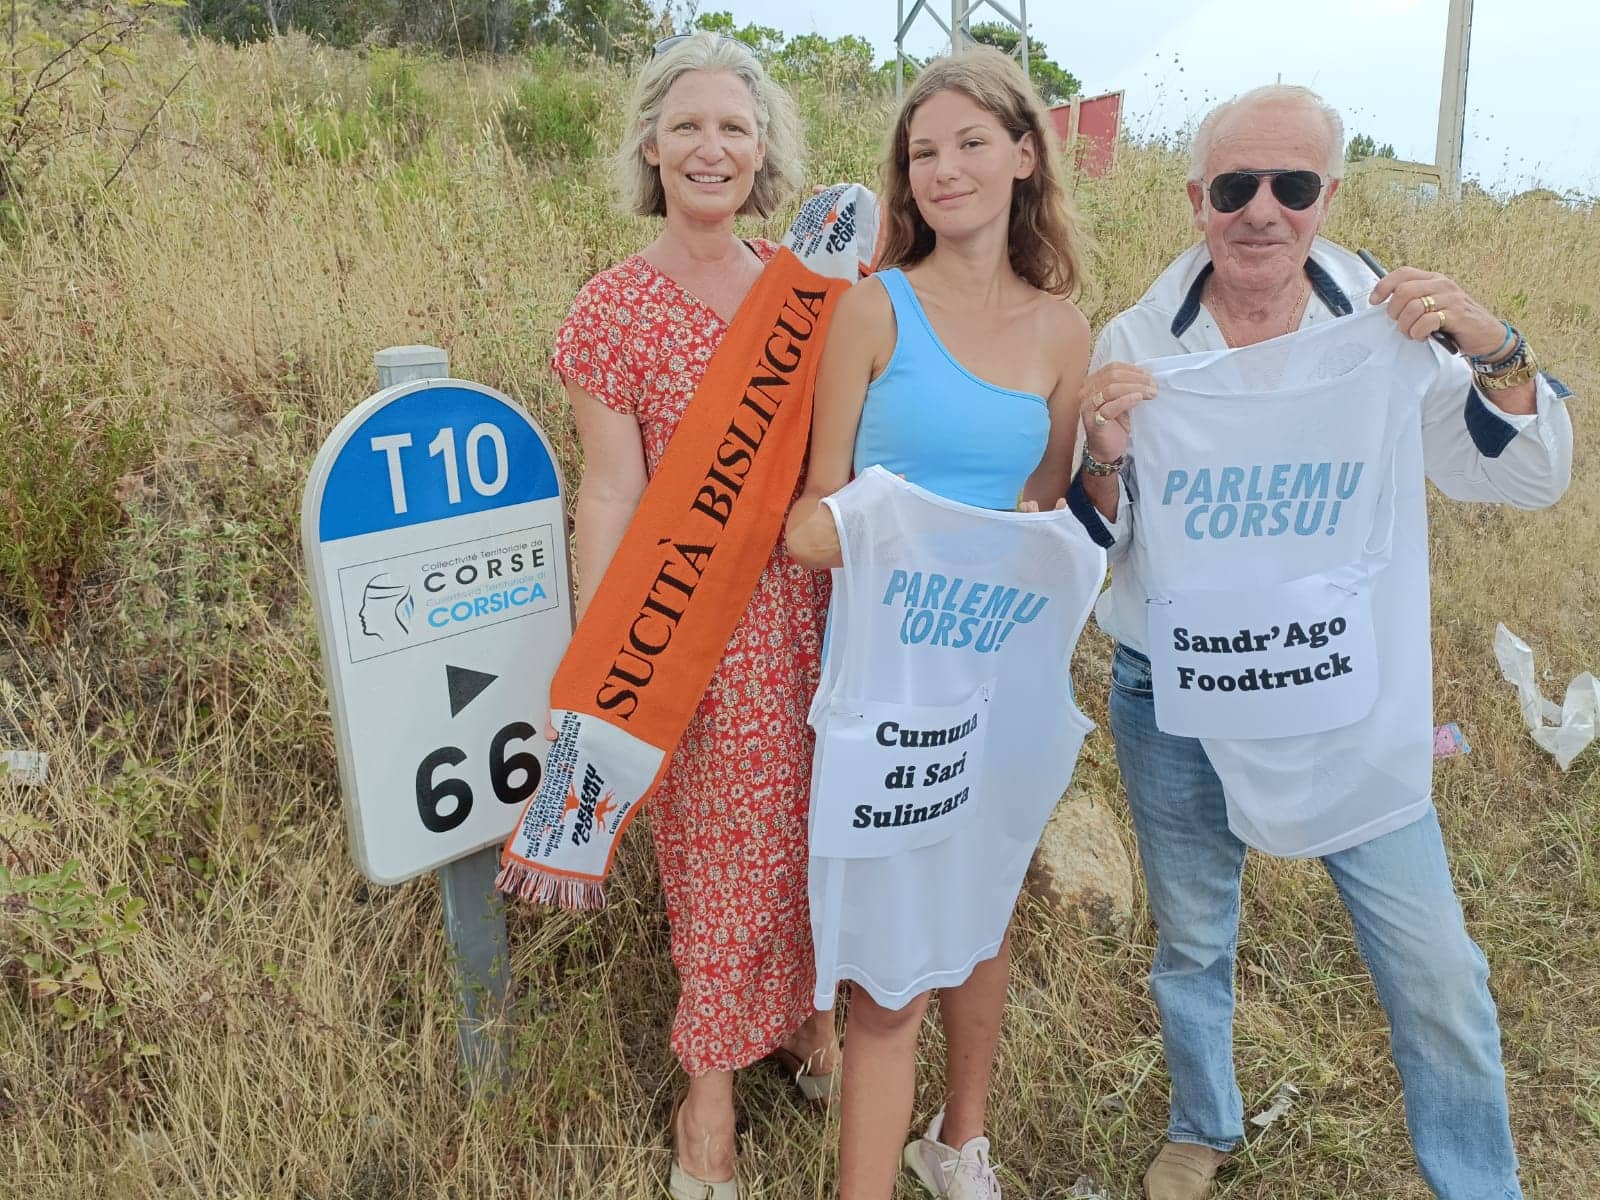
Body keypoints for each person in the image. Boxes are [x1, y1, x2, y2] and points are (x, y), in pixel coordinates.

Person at [1068, 84, 1574, 1200]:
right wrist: (1101, 451)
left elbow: (1528, 477)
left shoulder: (1388, 334)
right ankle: (1201, 1123)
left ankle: (1477, 1183)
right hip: (1179, 696)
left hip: (1345, 698)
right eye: (1235, 187)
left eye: (1291, 185)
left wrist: (1494, 345)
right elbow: (1107, 539)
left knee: (1436, 967)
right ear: (1196, 198)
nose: (1262, 210)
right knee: (1191, 937)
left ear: (1327, 196)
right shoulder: (1140, 339)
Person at [787, 47, 1095, 1200]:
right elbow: (810, 521)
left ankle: (958, 1143)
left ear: (1024, 157)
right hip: (888, 691)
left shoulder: (1065, 332)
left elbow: (1044, 517)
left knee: (983, 909)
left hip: (996, 682)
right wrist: (895, 525)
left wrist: (1103, 472)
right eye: (923, 152)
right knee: (887, 983)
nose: (944, 168)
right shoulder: (872, 309)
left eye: (970, 143)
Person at [545, 33, 840, 1200]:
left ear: (762, 152)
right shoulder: (612, 309)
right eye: (687, 127)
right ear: (651, 148)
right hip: (693, 635)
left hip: (817, 618)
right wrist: (603, 656)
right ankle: (706, 1085)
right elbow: (610, 493)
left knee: (816, 839)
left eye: (734, 127)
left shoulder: (812, 294)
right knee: (718, 858)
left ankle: (809, 1018)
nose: (711, 148)